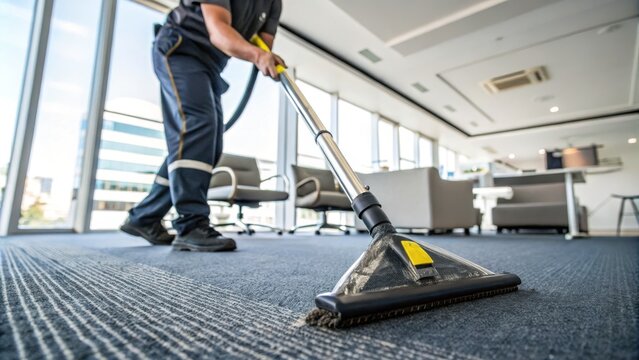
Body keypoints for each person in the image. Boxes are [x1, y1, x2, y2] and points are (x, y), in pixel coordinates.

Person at [120, 0, 285, 252]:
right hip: (180, 48)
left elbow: (261, 41)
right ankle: (191, 224)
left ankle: (144, 217)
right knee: (198, 129)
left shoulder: (273, 2)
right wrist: (257, 55)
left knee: (207, 144)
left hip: (209, 65)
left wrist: (264, 54)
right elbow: (219, 31)